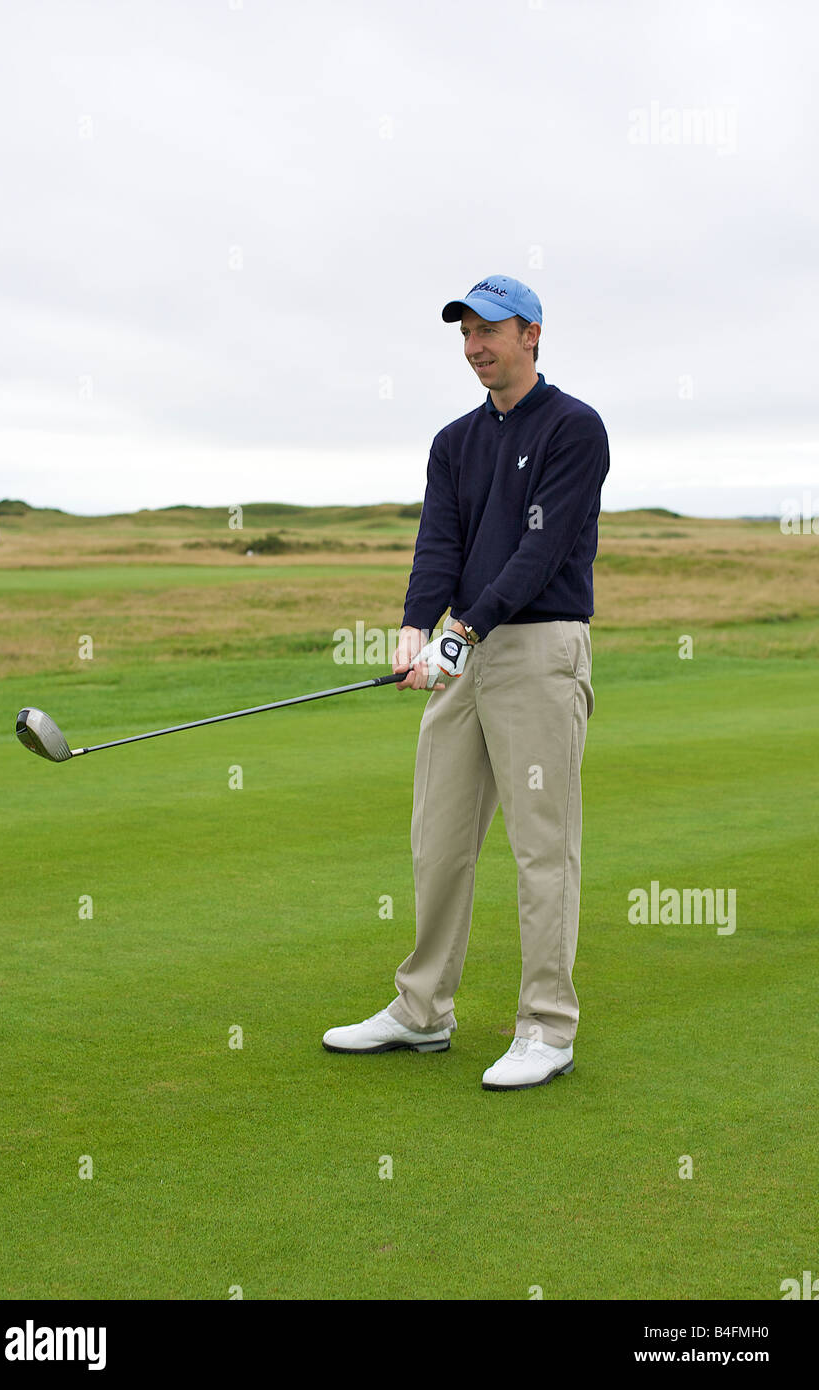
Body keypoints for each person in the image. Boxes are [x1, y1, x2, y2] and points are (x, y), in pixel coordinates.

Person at [322, 274, 610, 1090]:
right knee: (438, 839)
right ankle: (422, 1010)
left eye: (490, 330)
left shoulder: (574, 428)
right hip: (462, 653)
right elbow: (438, 541)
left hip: (538, 650)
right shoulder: (455, 440)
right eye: (465, 333)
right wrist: (418, 627)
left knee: (540, 848)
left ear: (533, 335)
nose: (475, 346)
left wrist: (467, 628)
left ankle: (547, 1027)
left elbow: (541, 550)